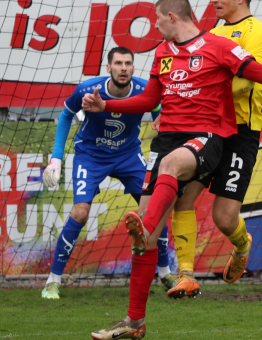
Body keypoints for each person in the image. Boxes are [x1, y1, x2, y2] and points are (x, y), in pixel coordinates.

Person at [83, 0, 262, 338]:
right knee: (145, 242)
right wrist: (108, 105)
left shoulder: (219, 45)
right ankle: (135, 323)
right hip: (166, 140)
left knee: (178, 185)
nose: (154, 27)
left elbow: (256, 72)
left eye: (155, 20)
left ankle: (160, 237)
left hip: (208, 138)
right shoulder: (163, 53)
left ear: (170, 16)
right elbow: (150, 99)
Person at [40, 47, 175, 300]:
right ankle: (53, 280)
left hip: (128, 155)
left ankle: (165, 273)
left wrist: (161, 124)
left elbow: (160, 115)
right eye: (118, 63)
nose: (123, 68)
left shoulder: (146, 90)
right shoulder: (87, 89)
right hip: (90, 155)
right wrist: (56, 157)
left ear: (133, 68)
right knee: (80, 213)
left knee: (155, 207)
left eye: (128, 63)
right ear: (108, 68)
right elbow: (66, 114)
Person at [165, 0, 262, 299]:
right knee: (183, 197)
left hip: (241, 132)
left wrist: (198, 88)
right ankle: (185, 275)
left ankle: (242, 245)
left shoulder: (258, 32)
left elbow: (246, 81)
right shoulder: (213, 31)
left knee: (224, 219)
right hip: (208, 127)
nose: (214, 1)